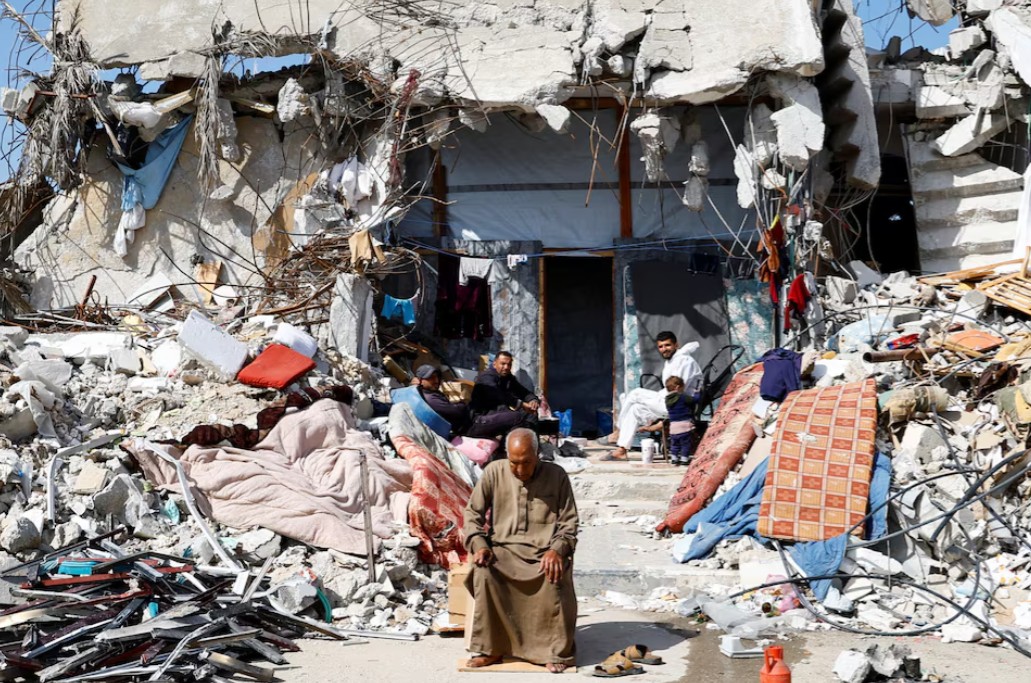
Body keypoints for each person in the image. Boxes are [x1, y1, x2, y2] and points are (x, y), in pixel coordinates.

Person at [462, 428, 578, 674]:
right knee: (484, 572)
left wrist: (557, 549)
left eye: (527, 462)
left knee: (553, 575)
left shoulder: (557, 476)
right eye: (514, 463)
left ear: (537, 455)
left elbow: (569, 523)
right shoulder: (494, 472)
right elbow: (472, 514)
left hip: (544, 553)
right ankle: (491, 648)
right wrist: (479, 544)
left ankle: (553, 651)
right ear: (506, 456)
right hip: (503, 551)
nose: (521, 470)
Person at [604, 331, 701, 460]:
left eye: (667, 345)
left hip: (678, 404)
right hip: (669, 400)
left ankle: (618, 431)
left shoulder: (685, 361)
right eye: (661, 347)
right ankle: (622, 449)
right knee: (635, 409)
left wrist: (657, 398)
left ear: (676, 345)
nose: (664, 349)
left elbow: (678, 389)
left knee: (635, 393)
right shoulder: (672, 361)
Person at [466, 352, 539, 440]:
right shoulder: (486, 377)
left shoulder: (508, 378)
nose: (506, 367)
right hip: (480, 420)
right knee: (515, 417)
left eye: (509, 364)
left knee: (531, 414)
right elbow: (498, 394)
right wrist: (521, 404)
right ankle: (508, 446)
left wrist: (533, 400)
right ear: (494, 364)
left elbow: (524, 392)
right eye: (503, 364)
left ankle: (532, 445)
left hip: (498, 414)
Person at [413, 364, 470, 436]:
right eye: (431, 378)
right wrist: (463, 404)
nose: (436, 380)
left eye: (437, 377)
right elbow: (455, 411)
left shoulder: (432, 393)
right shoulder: (431, 398)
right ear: (420, 380)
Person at [664, 376, 697, 466]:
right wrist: (698, 393)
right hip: (684, 425)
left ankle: (674, 458)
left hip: (673, 427)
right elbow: (694, 400)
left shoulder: (667, 400)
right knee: (685, 444)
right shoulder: (682, 397)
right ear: (678, 387)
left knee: (675, 444)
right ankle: (684, 459)